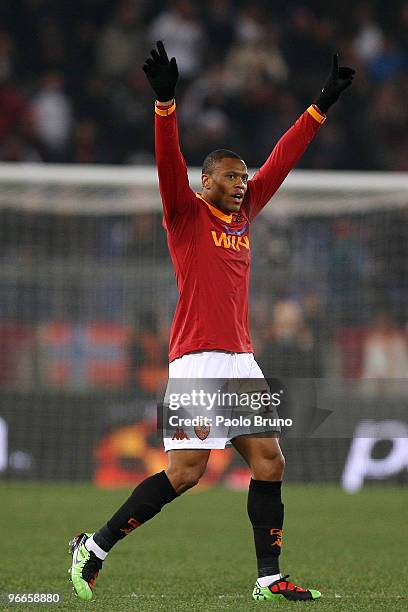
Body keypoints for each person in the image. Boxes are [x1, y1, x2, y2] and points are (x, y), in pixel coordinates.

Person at [69, 41, 355, 602]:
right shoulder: (184, 212)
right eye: (230, 176)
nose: (242, 182)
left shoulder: (245, 214)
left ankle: (269, 578)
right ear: (206, 184)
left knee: (270, 460)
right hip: (195, 359)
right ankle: (94, 547)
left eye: (243, 175)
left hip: (240, 358)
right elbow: (167, 163)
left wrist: (320, 104)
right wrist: (166, 104)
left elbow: (283, 157)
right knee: (186, 473)